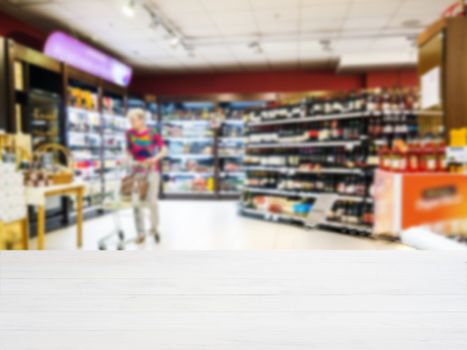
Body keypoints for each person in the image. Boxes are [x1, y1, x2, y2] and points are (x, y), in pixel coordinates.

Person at [126, 108, 167, 244]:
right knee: (136, 202)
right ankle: (140, 233)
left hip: (152, 171)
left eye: (133, 119)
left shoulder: (152, 133)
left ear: (142, 120)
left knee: (152, 201)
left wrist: (155, 158)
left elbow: (164, 150)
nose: (131, 122)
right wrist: (129, 160)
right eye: (129, 120)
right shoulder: (129, 134)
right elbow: (128, 152)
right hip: (136, 172)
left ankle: (154, 228)